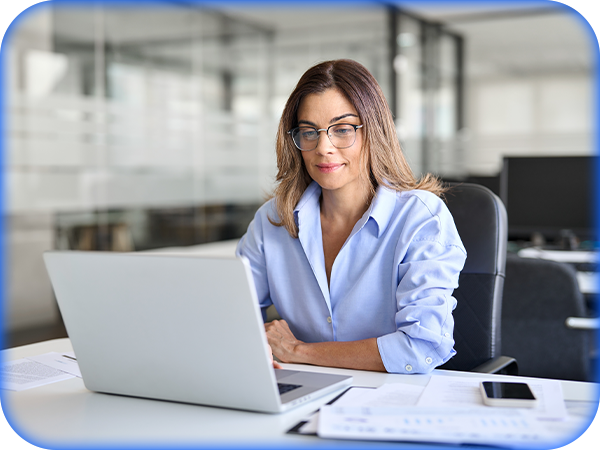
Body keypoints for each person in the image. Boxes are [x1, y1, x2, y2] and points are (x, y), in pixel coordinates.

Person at [236, 59, 466, 374]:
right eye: (309, 132)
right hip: (299, 390)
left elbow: (421, 347)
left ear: (374, 130)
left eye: (342, 129)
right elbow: (231, 316)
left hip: (390, 398)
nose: (323, 148)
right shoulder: (273, 221)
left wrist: (299, 351)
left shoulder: (420, 218)